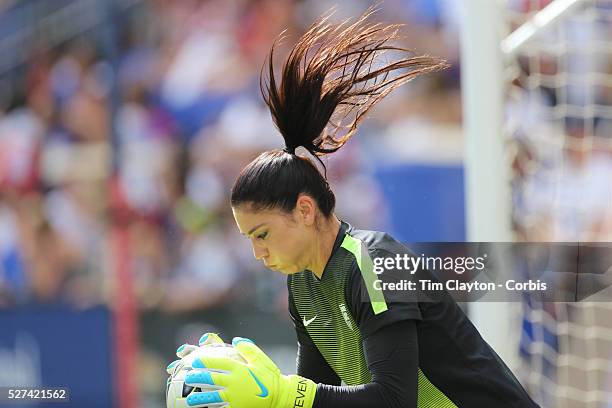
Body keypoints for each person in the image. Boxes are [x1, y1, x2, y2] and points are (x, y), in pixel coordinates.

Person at [167, 8, 540, 408]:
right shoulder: (304, 284)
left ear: (305, 211)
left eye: (262, 234)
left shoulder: (374, 264)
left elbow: (395, 399)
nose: (257, 253)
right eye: (249, 239)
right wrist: (251, 385)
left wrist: (281, 392)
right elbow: (318, 398)